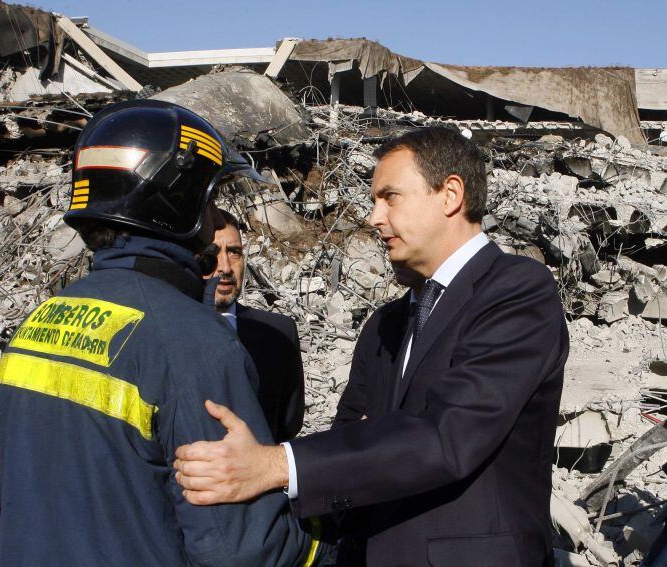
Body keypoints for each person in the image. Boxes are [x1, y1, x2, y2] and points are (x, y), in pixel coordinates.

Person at [174, 127, 569, 566]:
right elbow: (352, 434)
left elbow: (449, 436)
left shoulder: (516, 292)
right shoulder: (388, 322)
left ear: (450, 194)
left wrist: (274, 466)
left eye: (390, 197)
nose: (375, 216)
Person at [0, 99, 324, 566]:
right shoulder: (194, 343)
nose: (214, 220)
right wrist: (322, 546)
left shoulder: (39, 322)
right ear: (178, 201)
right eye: (209, 199)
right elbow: (241, 550)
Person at [205, 208, 305, 442]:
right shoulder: (167, 330)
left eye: (234, 252)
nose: (226, 268)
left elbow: (288, 423)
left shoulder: (278, 334)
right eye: (213, 254)